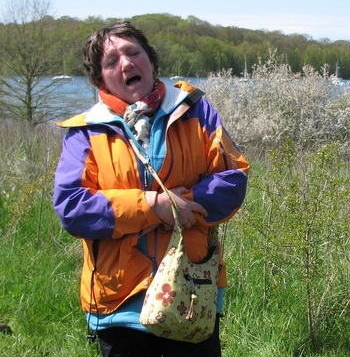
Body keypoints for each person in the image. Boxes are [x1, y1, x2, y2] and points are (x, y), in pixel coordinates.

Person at [53, 21, 249, 357]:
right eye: (112, 61)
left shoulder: (195, 108)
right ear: (100, 78)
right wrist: (153, 205)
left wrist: (181, 205)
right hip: (120, 303)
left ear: (151, 60)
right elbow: (73, 207)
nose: (126, 63)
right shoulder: (84, 132)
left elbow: (233, 177)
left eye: (133, 52)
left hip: (190, 292)